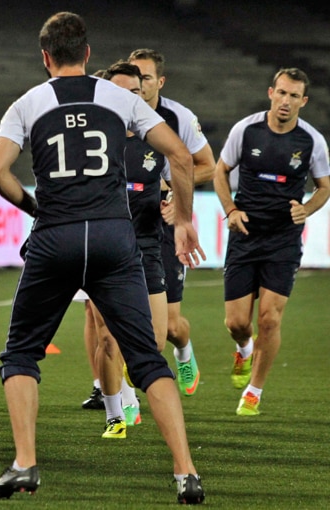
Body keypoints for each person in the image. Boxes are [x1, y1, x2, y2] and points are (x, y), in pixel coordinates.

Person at [0, 12, 205, 504]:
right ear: (87, 54)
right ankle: (186, 472)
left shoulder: (27, 103)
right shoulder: (121, 98)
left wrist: (33, 205)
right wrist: (184, 218)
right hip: (113, 236)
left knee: (21, 354)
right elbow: (183, 157)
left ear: (44, 58)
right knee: (146, 358)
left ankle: (24, 464)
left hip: (56, 235)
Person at [214, 67, 329, 416]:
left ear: (303, 101)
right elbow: (220, 171)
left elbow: (325, 185)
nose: (286, 101)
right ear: (270, 93)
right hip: (245, 235)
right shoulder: (245, 130)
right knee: (237, 323)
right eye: (281, 93)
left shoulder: (312, 141)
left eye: (294, 96)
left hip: (283, 239)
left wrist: (306, 209)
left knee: (270, 319)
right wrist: (231, 209)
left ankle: (254, 391)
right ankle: (244, 349)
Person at [90, 61, 171, 437]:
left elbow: (187, 174)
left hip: (147, 245)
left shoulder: (157, 139)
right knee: (106, 333)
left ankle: (127, 385)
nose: (127, 99)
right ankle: (115, 412)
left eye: (134, 93)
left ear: (144, 96)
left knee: (153, 341)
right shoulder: (88, 140)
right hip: (104, 247)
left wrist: (178, 209)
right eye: (118, 92)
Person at [128, 48, 216, 397]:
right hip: (123, 224)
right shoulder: (113, 114)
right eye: (134, 76)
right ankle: (117, 398)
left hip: (164, 226)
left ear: (159, 81)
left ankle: (183, 350)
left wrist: (172, 192)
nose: (139, 83)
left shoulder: (178, 118)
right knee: (108, 315)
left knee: (169, 326)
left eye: (146, 77)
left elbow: (208, 166)